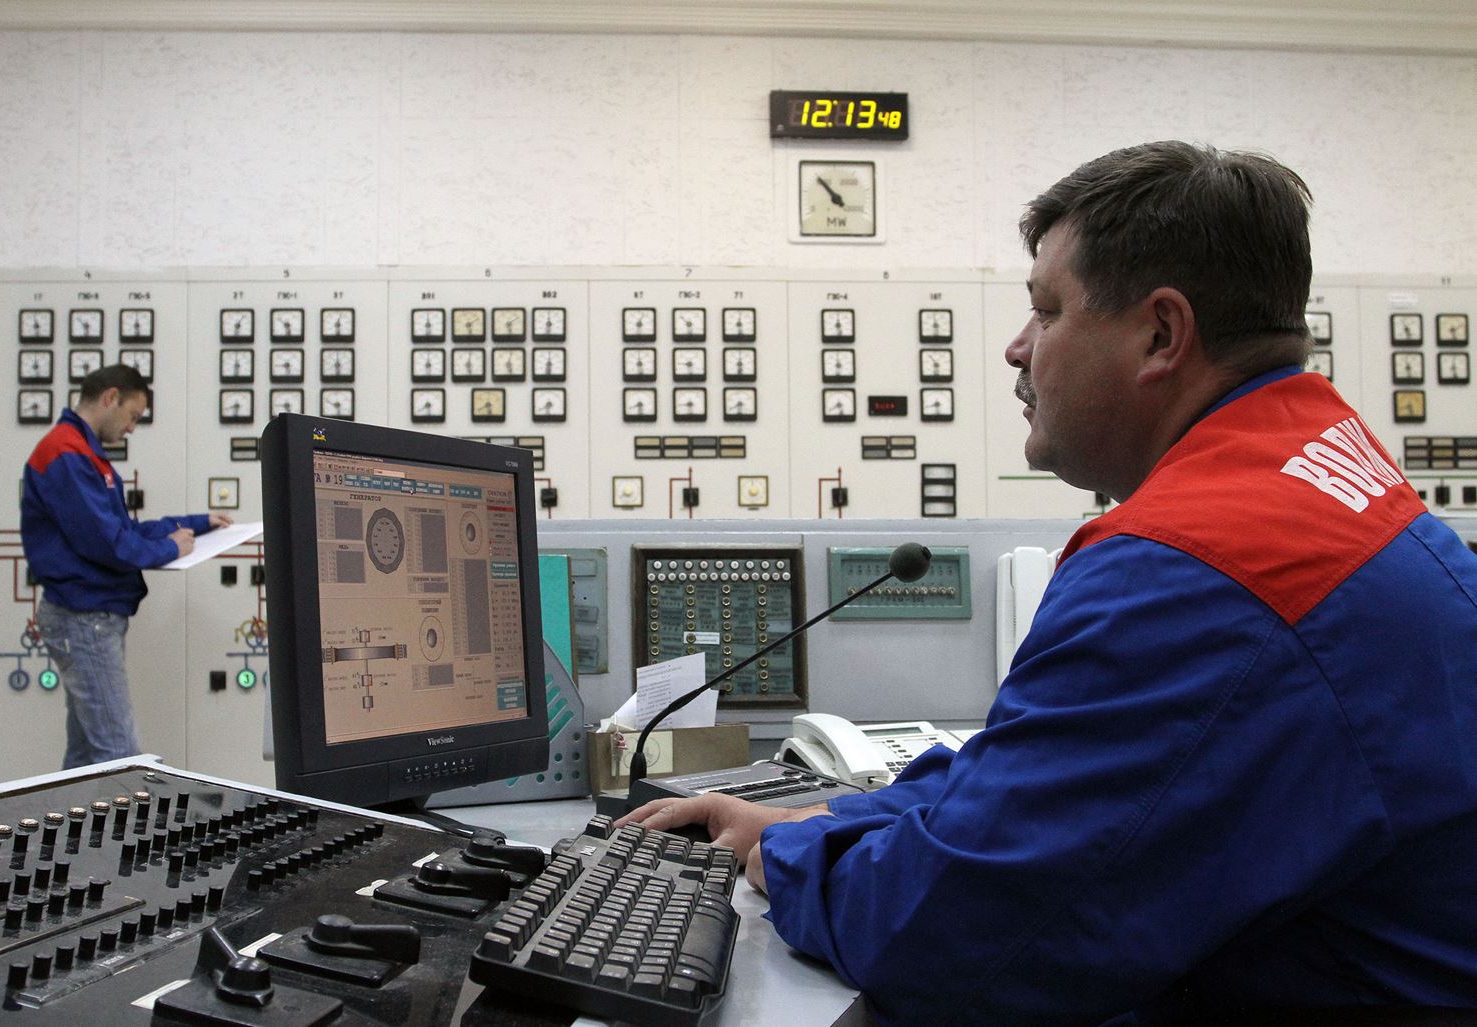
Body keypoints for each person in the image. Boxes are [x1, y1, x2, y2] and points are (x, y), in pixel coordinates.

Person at [621, 142, 1477, 1023]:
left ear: (1161, 334)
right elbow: (1040, 783)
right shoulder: (1331, 483)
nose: (1016, 348)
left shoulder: (1192, 564)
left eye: (1046, 310)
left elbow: (945, 936)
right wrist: (825, 815)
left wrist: (785, 859)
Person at [21, 364, 232, 770]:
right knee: (120, 755)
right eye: (133, 415)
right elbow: (110, 544)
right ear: (110, 398)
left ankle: (74, 816)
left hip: (89, 617)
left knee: (87, 755)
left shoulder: (82, 454)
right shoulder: (66, 454)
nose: (132, 428)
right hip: (84, 619)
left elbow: (124, 530)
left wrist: (197, 523)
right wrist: (170, 547)